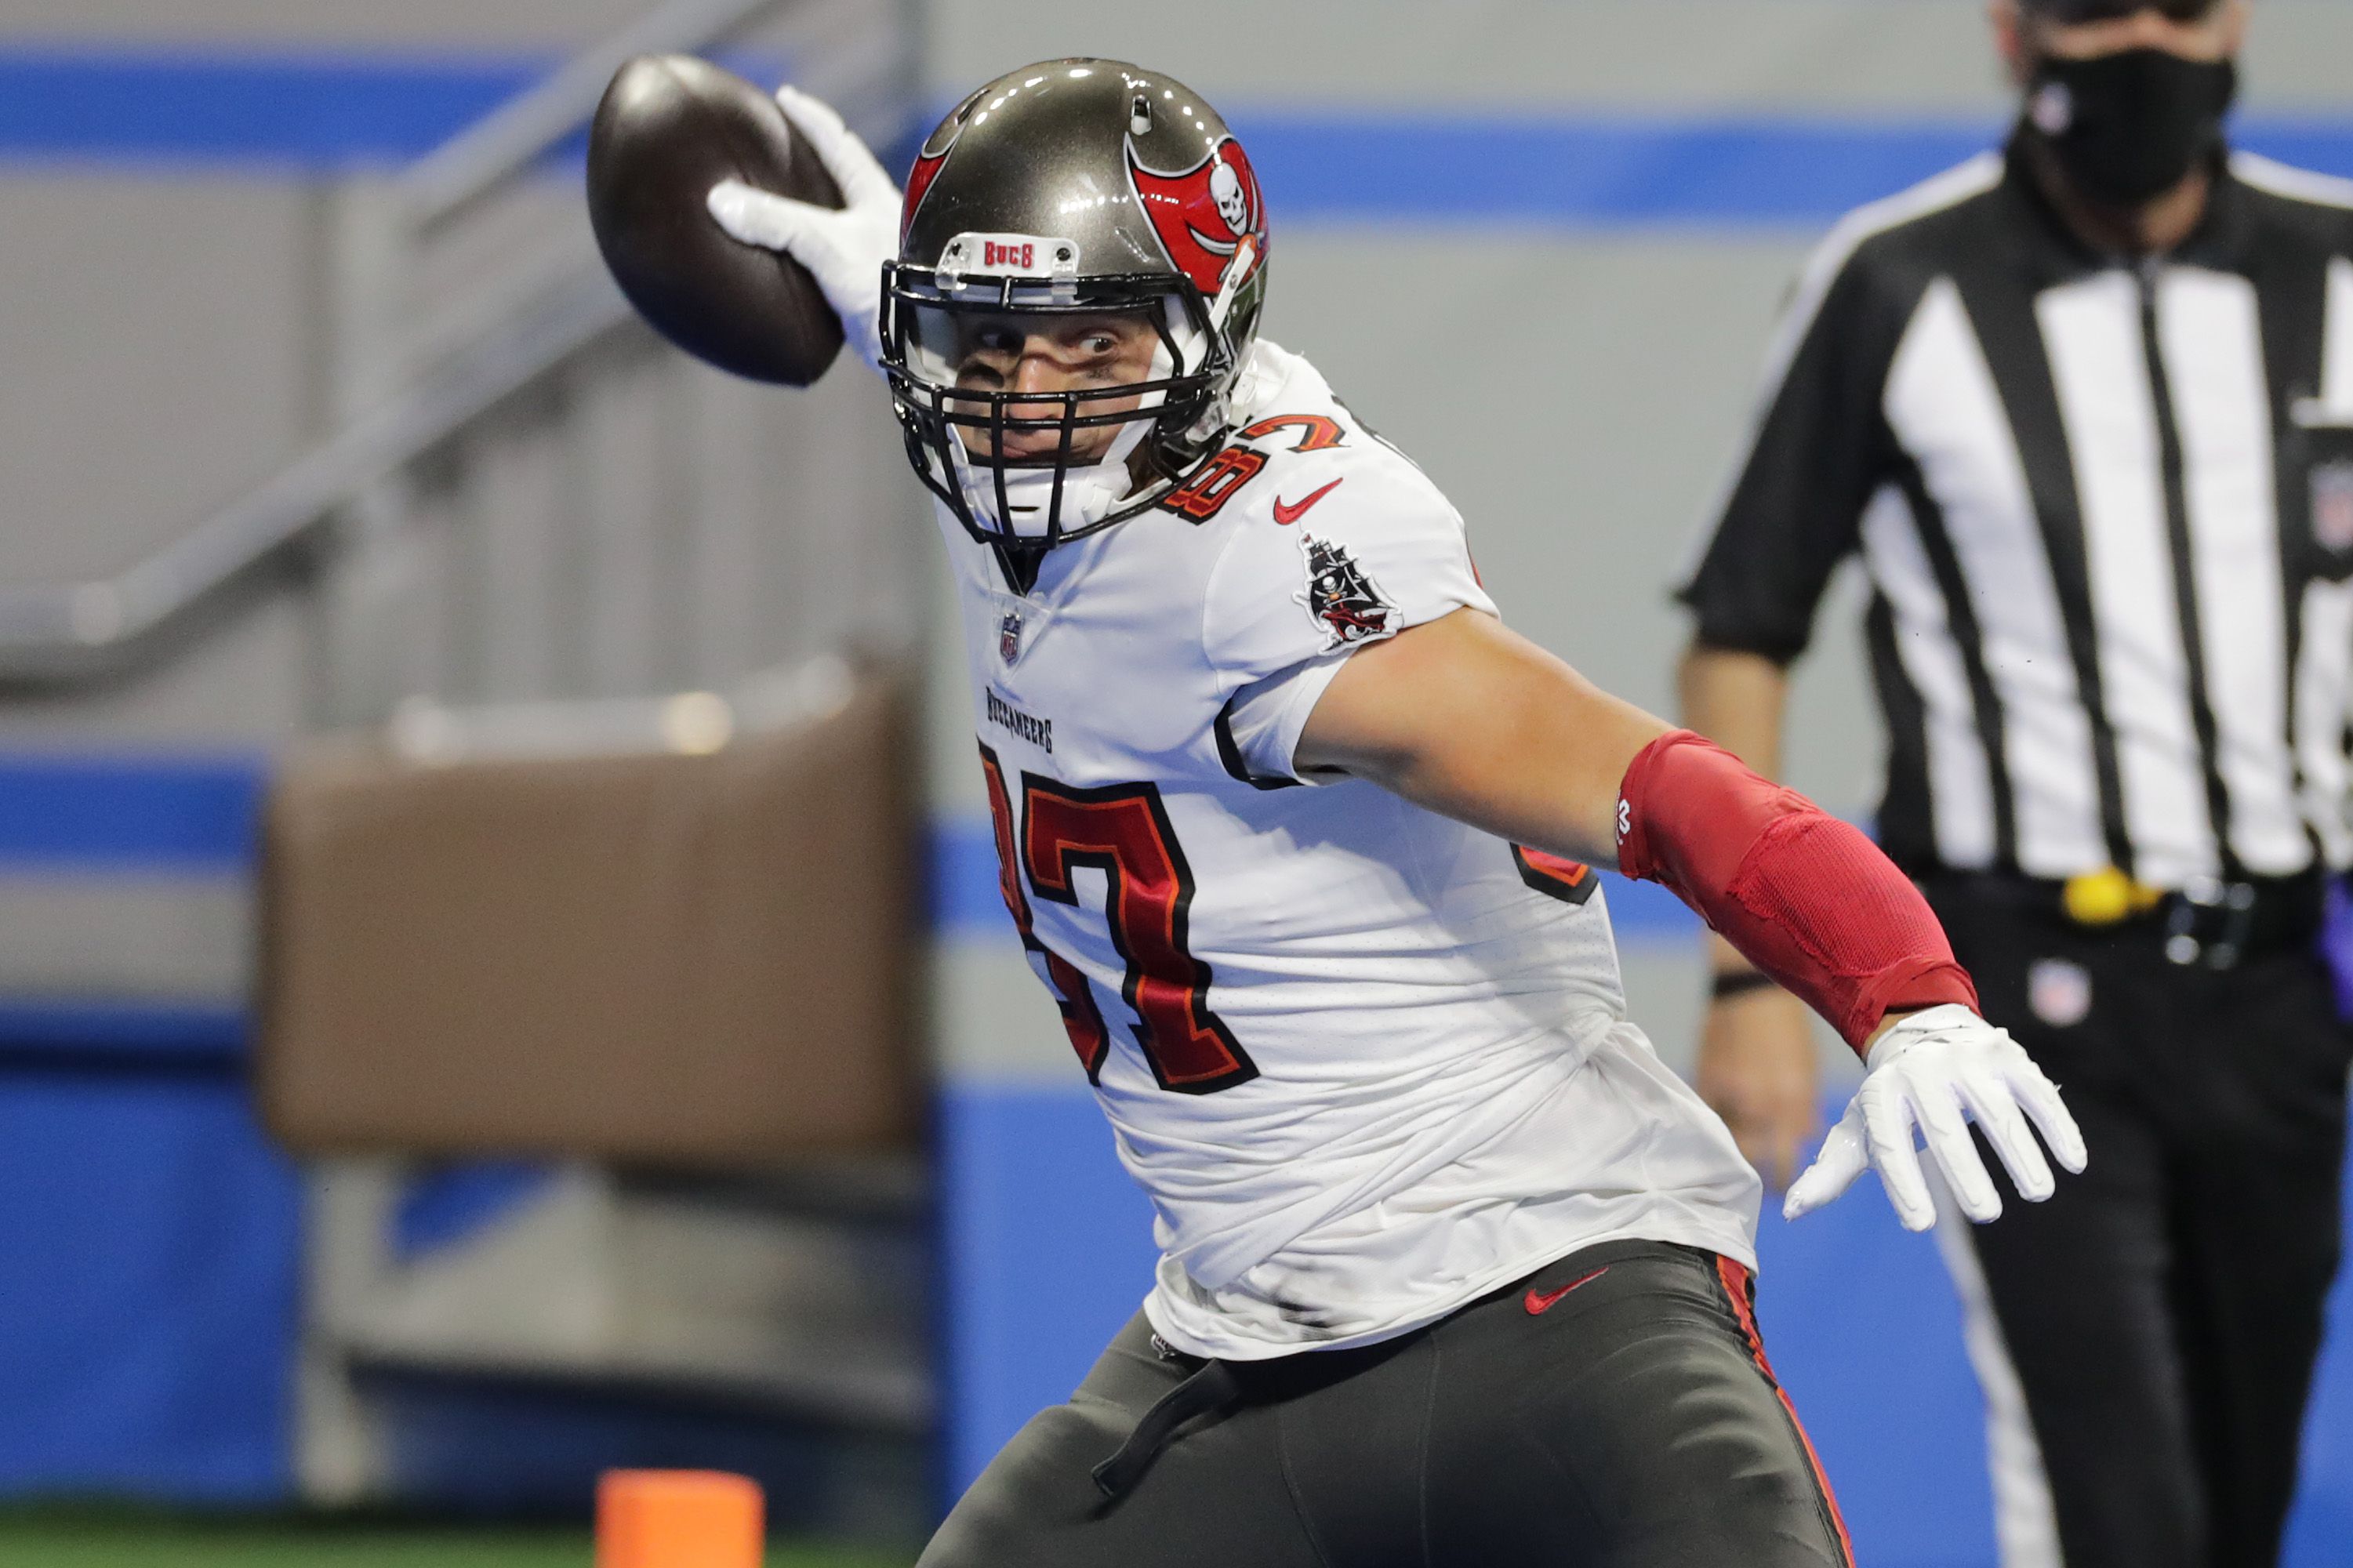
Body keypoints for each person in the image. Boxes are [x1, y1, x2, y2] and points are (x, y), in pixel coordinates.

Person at [702, 60, 2082, 1566]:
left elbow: (1662, 789)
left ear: (1198, 350)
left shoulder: (1264, 568)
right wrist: (872, 296)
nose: (1027, 405)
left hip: (1546, 1290)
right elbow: (1016, 396)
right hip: (1237, 1342)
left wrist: (1906, 998)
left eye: (1089, 344)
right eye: (988, 343)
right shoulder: (1028, 456)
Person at [1677, 2, 2353, 1565]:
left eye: (2174, 6)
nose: (2140, 47)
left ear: (2234, 19)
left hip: (2280, 981)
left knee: (2240, 1493)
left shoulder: (2332, 266)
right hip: (2021, 986)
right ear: (2012, 34)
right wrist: (1746, 978)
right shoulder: (1901, 279)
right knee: (2111, 1505)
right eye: (2092, 10)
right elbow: (1741, 628)